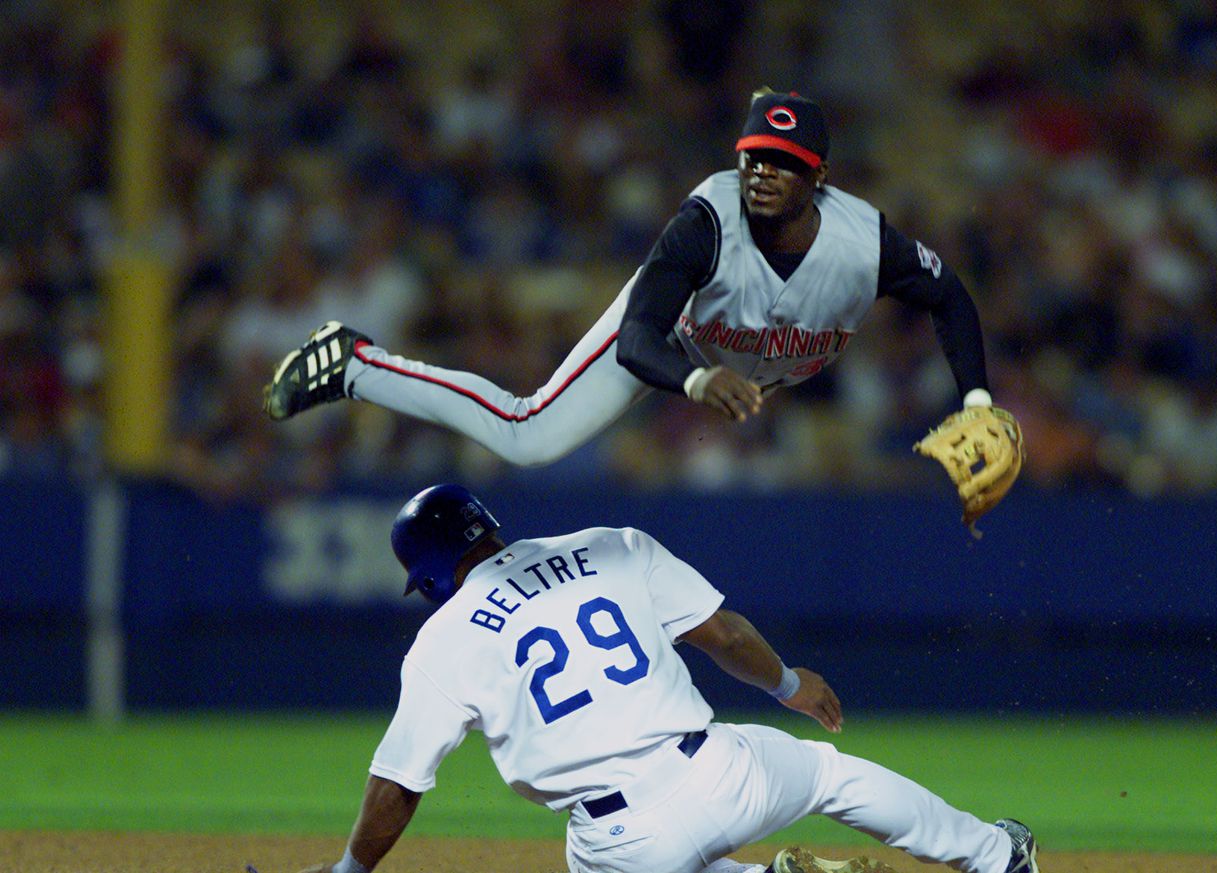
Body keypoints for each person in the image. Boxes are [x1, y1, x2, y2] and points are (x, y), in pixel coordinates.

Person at [296, 483, 1039, 873]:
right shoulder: (607, 544)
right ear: (487, 524)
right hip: (718, 767)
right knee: (829, 775)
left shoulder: (441, 639)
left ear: (425, 574)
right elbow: (724, 634)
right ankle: (995, 856)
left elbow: (398, 784)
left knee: (602, 861)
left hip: (616, 837)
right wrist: (787, 684)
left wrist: (350, 869)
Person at [263, 89, 1009, 469]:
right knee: (529, 435)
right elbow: (637, 337)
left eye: (783, 162)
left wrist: (976, 397)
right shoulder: (705, 223)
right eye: (754, 155)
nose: (762, 172)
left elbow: (949, 296)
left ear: (820, 176)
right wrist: (691, 381)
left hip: (763, 369)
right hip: (674, 344)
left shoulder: (864, 242)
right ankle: (357, 364)